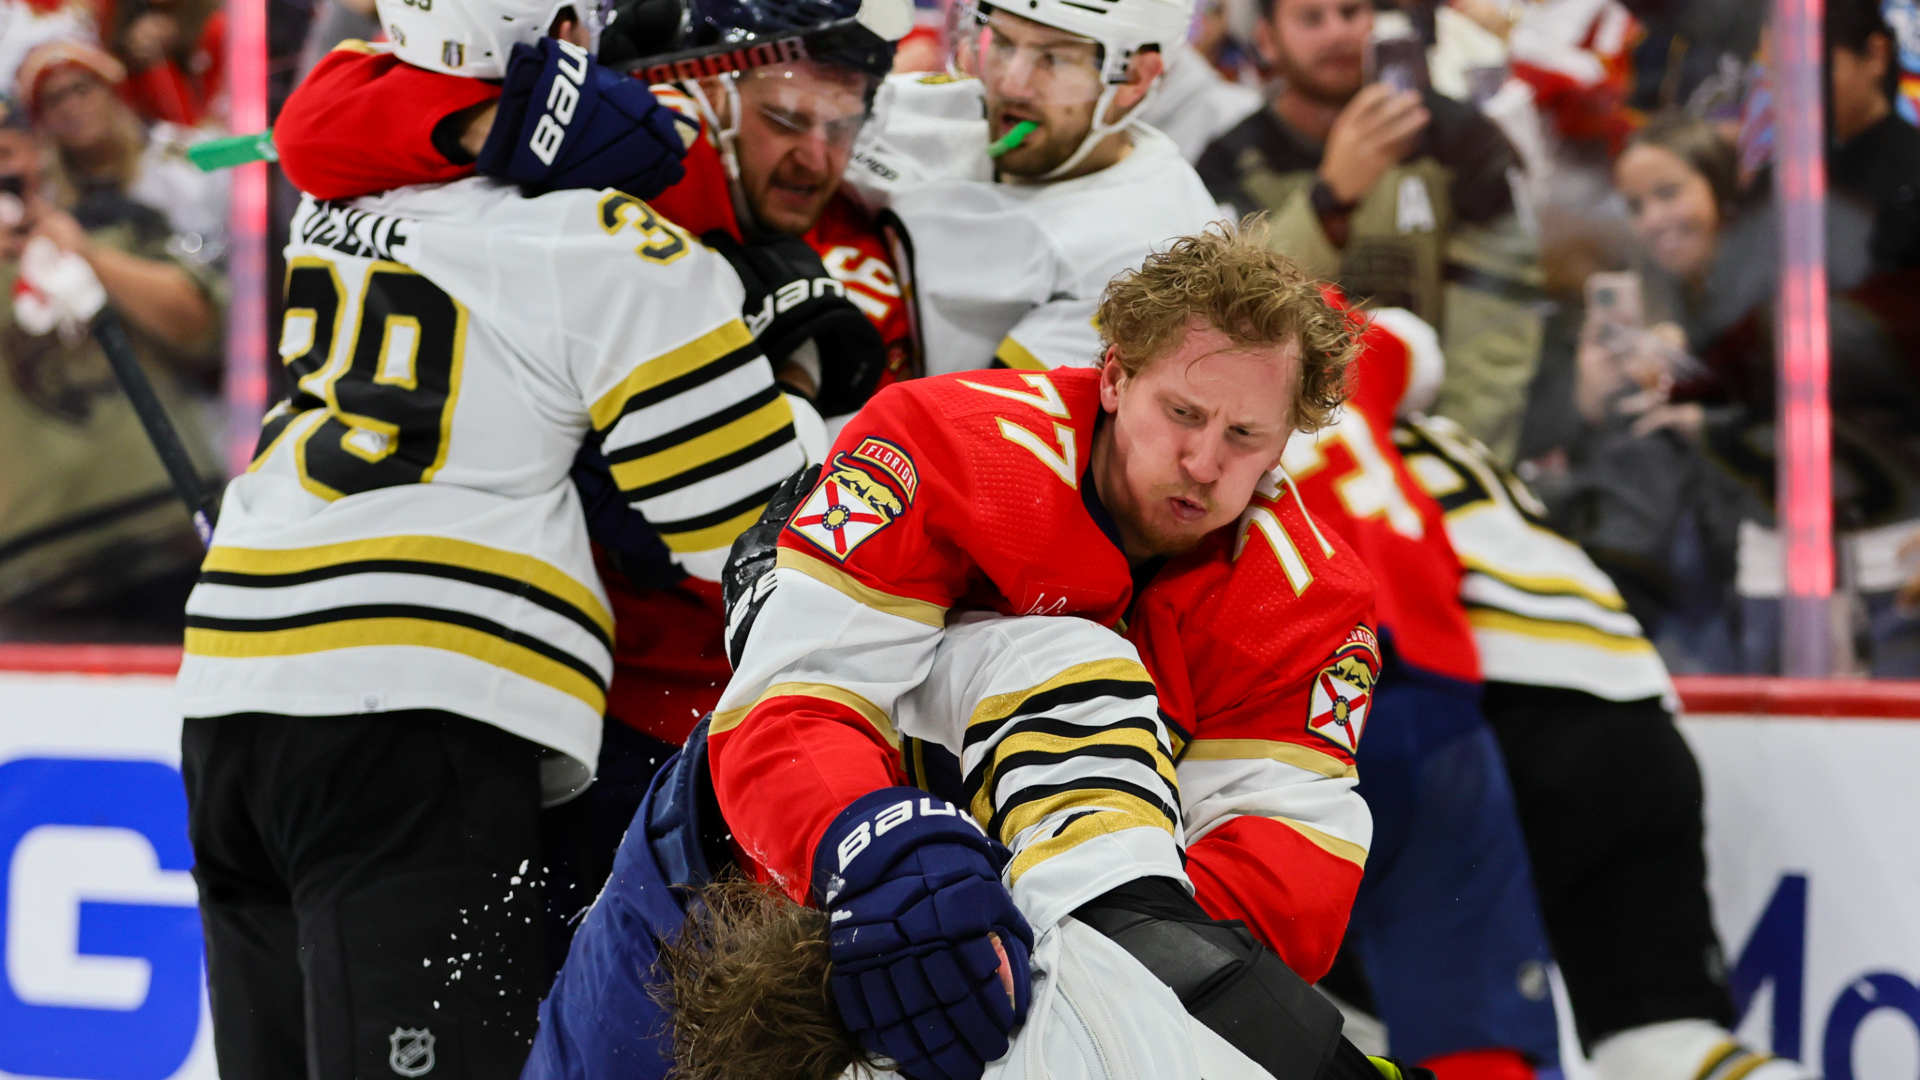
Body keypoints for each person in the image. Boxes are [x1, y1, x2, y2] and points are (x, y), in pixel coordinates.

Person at [528, 227, 1403, 1080]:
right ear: (1113, 377)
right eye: (1182, 413)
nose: (1205, 462)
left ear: (1284, 442)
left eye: (1245, 437)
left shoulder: (1309, 602)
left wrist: (1071, 982)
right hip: (744, 877)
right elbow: (788, 703)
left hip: (1014, 979)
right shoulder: (946, 445)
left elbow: (1288, 871)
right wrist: (877, 856)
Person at [171, 0, 825, 1073]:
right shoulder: (604, 243)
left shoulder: (337, 196)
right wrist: (798, 375)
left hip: (233, 690)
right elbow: (749, 531)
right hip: (421, 704)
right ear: (567, 31)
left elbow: (338, 106)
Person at [1396, 412, 1814, 1080]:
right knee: (1662, 1041)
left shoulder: (1292, 426)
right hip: (1636, 699)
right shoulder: (1444, 431)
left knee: (1441, 1030)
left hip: (1506, 712)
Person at [1279, 304, 1559, 1080]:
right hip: (1430, 693)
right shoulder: (1339, 352)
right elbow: (1418, 349)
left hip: (1290, 707)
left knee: (1228, 989)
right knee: (1471, 1002)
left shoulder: (1184, 378)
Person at [1196, 0, 1543, 463]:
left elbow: (1496, 327)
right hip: (1286, 447)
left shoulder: (1460, 137)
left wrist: (1459, 458)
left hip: (1435, 440)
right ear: (1266, 40)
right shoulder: (1230, 160)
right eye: (1311, 18)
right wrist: (1330, 198)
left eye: (1351, 11)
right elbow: (1230, 317)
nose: (1337, 32)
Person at [840, 0, 1221, 375]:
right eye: (1003, 43)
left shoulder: (1156, 252)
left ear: (1135, 78)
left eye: (1054, 59)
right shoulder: (934, 107)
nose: (1011, 83)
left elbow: (981, 423)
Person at [0, 93, 222, 640]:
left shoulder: (119, 223)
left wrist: (86, 253)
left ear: (35, 152)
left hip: (177, 530)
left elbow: (202, 328)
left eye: (4, 153)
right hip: (35, 570)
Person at [18, 38, 228, 254]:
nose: (71, 106)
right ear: (42, 122)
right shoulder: (46, 195)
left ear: (112, 93)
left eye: (82, 89)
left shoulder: (181, 152)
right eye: (55, 99)